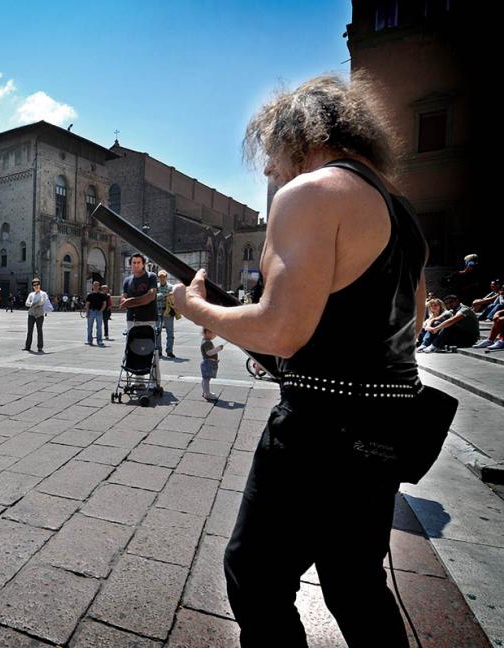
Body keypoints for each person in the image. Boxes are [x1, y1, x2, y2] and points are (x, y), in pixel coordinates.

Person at [172, 74, 425, 646]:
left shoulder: (310, 194)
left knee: (255, 576)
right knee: (354, 582)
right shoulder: (401, 215)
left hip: (320, 430)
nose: (268, 171)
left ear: (300, 138)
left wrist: (195, 308)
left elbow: (280, 328)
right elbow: (407, 318)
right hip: (387, 429)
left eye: (270, 155)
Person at [120, 254, 158, 331]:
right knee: (131, 342)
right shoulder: (127, 280)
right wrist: (124, 300)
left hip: (148, 319)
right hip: (131, 319)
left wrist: (130, 302)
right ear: (130, 264)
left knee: (147, 342)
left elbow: (150, 296)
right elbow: (124, 298)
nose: (136, 265)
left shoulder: (151, 276)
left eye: (138, 262)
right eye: (134, 263)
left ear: (143, 264)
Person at [24, 278, 49, 351]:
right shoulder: (31, 294)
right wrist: (33, 304)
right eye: (34, 285)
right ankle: (27, 346)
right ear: (33, 286)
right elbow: (26, 303)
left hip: (39, 314)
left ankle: (40, 347)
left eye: (37, 284)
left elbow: (42, 302)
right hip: (31, 314)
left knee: (39, 331)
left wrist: (33, 304)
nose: (36, 286)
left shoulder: (43, 293)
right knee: (29, 331)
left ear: (40, 285)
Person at [156, 270, 176, 357]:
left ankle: (169, 351)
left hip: (168, 311)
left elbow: (173, 297)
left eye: (163, 277)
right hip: (158, 310)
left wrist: (161, 296)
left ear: (166, 277)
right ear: (158, 278)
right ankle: (158, 350)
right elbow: (155, 297)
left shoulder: (171, 287)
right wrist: (165, 295)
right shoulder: (155, 287)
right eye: (160, 277)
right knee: (157, 332)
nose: (162, 278)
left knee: (170, 332)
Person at [200, 327, 224, 401]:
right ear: (207, 332)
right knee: (206, 379)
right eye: (214, 334)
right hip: (208, 363)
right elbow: (209, 353)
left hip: (207, 362)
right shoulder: (207, 342)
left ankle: (205, 392)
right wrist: (218, 348)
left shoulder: (205, 341)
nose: (215, 335)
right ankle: (207, 394)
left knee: (205, 379)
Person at [85, 280, 106, 346]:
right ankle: (89, 340)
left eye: (97, 285)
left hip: (99, 312)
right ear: (92, 286)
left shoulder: (102, 295)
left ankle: (99, 340)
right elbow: (87, 304)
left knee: (99, 327)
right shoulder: (90, 295)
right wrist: (87, 312)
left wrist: (101, 310)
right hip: (91, 311)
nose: (95, 287)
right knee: (89, 327)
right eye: (94, 285)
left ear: (99, 286)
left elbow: (104, 304)